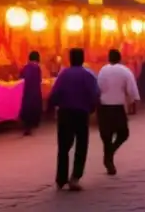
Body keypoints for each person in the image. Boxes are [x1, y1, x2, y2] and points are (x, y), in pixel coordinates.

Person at [47, 48, 99, 191]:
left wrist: (52, 106)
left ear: (70, 59)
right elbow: (94, 93)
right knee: (81, 146)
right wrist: (92, 108)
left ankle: (61, 179)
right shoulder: (88, 75)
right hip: (81, 113)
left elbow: (55, 93)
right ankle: (75, 178)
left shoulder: (63, 74)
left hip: (65, 113)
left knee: (63, 147)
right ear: (83, 59)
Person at [97, 49, 140, 176]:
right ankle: (110, 155)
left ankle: (108, 157)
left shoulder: (103, 70)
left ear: (108, 58)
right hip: (117, 107)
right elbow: (131, 88)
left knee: (106, 136)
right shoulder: (125, 71)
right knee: (123, 133)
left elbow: (98, 87)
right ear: (120, 58)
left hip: (104, 106)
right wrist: (134, 101)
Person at [18, 51, 44, 136]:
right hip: (35, 91)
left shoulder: (26, 67)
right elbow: (39, 80)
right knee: (34, 107)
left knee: (27, 107)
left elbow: (21, 77)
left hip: (27, 91)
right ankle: (32, 125)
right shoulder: (37, 68)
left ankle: (27, 126)